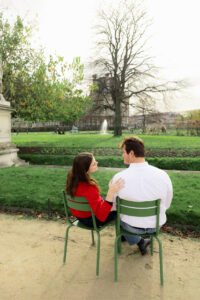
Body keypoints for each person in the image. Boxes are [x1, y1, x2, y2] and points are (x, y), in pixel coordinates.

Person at [111, 136, 173, 255]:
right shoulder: (163, 175)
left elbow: (114, 206)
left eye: (123, 152)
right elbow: (167, 203)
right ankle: (137, 239)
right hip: (155, 226)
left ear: (132, 153)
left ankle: (132, 238)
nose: (122, 155)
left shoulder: (118, 178)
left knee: (117, 216)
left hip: (130, 226)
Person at [66, 152, 124, 227]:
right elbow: (101, 215)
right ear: (85, 169)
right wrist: (111, 191)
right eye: (93, 163)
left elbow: (93, 199)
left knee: (111, 203)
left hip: (80, 217)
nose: (97, 162)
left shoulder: (72, 181)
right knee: (119, 209)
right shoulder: (89, 188)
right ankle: (127, 236)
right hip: (93, 221)